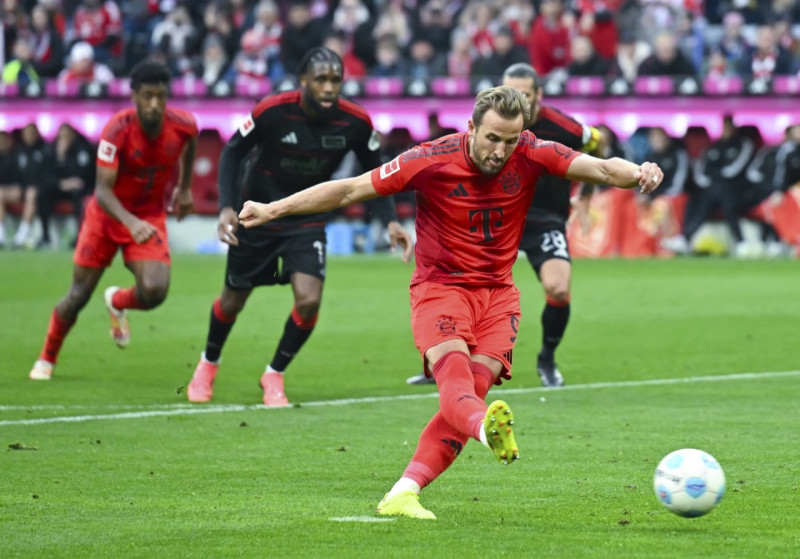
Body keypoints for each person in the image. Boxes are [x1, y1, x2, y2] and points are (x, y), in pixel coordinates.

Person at [237, 85, 663, 519]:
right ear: (472, 127)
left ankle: (404, 491)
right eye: (492, 138)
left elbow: (605, 170)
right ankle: (486, 431)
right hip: (441, 290)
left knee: (469, 398)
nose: (500, 151)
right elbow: (349, 190)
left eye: (510, 141)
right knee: (459, 390)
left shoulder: (532, 151)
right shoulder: (429, 159)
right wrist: (274, 209)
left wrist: (640, 171)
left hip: (499, 297)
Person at [185, 47, 412, 407]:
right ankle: (208, 363)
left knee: (308, 300)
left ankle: (274, 373)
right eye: (320, 79)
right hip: (256, 216)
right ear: (303, 80)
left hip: (306, 219)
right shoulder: (271, 110)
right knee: (232, 301)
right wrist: (227, 207)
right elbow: (231, 152)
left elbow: (378, 172)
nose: (328, 87)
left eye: (335, 80)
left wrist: (392, 222)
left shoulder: (354, 121)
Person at [407, 62, 603, 387]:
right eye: (512, 91)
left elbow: (599, 144)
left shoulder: (566, 128)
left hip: (543, 218)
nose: (518, 100)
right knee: (457, 283)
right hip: (494, 218)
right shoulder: (493, 126)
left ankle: (547, 359)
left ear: (538, 95)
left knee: (558, 286)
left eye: (525, 94)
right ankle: (447, 360)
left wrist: (586, 195)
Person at [28, 60, 198, 381]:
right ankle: (47, 357)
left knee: (155, 290)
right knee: (77, 295)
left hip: (147, 216)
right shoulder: (116, 130)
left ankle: (117, 301)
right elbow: (102, 192)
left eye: (161, 96)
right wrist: (130, 223)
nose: (154, 104)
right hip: (106, 218)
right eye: (147, 96)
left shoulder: (184, 124)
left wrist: (185, 187)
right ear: (134, 96)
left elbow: (191, 142)